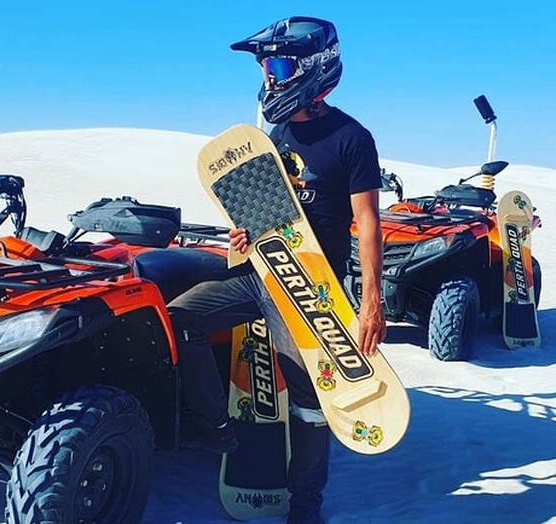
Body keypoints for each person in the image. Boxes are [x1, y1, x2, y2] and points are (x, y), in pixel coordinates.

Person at [168, 16, 386, 524]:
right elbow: (265, 214)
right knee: (179, 319)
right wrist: (245, 234)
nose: (269, 75)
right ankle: (216, 429)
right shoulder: (274, 134)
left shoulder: (351, 138)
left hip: (313, 289)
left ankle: (305, 507)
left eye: (279, 63)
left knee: (311, 403)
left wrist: (371, 302)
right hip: (261, 274)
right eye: (266, 65)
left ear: (314, 68)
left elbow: (368, 223)